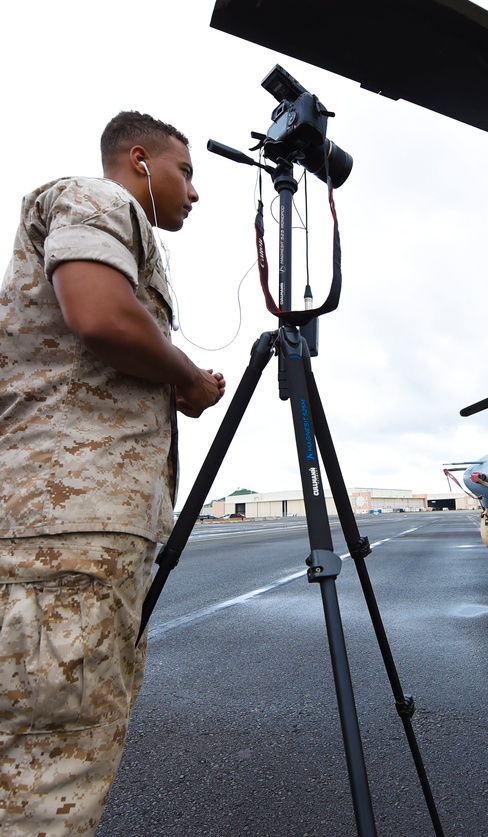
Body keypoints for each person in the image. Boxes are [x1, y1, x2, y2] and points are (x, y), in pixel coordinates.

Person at [0, 111, 226, 835]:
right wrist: (186, 376)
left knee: (35, 757)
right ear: (137, 160)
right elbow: (99, 314)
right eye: (185, 171)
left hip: (69, 529)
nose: (194, 191)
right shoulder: (100, 199)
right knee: (52, 774)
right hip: (69, 529)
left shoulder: (120, 223)